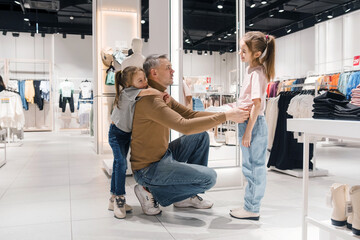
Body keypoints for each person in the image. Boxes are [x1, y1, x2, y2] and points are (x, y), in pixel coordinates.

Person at [130, 54, 250, 216]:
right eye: (168, 68)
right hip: (148, 169)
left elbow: (190, 115)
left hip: (163, 156)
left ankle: (184, 197)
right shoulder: (151, 100)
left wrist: (225, 112)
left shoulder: (161, 96)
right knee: (209, 178)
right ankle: (148, 191)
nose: (173, 71)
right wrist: (226, 117)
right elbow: (184, 126)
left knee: (201, 136)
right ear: (154, 73)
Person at [108, 66, 168, 219]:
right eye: (140, 80)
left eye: (145, 79)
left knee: (118, 164)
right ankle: (120, 198)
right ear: (129, 84)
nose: (144, 83)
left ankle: (113, 198)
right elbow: (149, 91)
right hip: (116, 134)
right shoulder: (128, 93)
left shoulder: (134, 92)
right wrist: (162, 93)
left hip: (125, 134)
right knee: (121, 164)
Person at [229, 31, 276, 220]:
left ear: (256, 54)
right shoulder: (254, 71)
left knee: (254, 168)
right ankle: (250, 205)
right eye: (240, 50)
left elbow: (257, 104)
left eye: (243, 51)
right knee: (251, 166)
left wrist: (248, 132)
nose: (240, 54)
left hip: (253, 124)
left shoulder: (257, 73)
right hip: (250, 123)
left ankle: (252, 208)